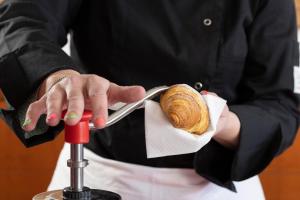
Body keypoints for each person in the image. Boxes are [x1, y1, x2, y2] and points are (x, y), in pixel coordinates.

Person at [0, 0, 299, 199]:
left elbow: (278, 103)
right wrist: (55, 76)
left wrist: (224, 123)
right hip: (101, 172)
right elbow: (20, 18)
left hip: (216, 186)